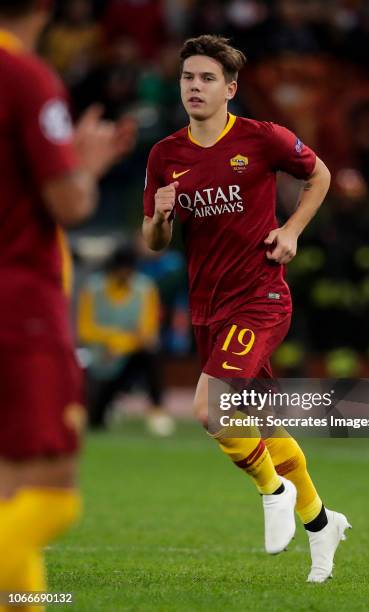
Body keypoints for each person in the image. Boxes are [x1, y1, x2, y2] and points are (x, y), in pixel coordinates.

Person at [143, 34, 351, 583]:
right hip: (207, 307)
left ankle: (274, 491)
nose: (195, 86)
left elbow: (320, 175)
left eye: (208, 78)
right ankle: (321, 523)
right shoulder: (165, 155)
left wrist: (292, 232)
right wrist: (162, 217)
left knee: (211, 411)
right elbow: (153, 242)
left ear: (230, 88)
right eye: (189, 77)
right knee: (256, 421)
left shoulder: (262, 138)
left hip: (261, 297)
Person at [0, 0, 135, 605]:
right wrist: (85, 166)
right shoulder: (24, 77)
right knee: (53, 493)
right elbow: (70, 205)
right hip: (20, 300)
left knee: (7, 490)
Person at [77, 245, 174, 436]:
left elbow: (147, 334)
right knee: (95, 422)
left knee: (151, 354)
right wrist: (113, 340)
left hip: (129, 359)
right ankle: (106, 406)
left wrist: (120, 345)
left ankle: (157, 411)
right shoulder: (93, 289)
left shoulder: (145, 289)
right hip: (101, 361)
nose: (124, 273)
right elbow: (85, 330)